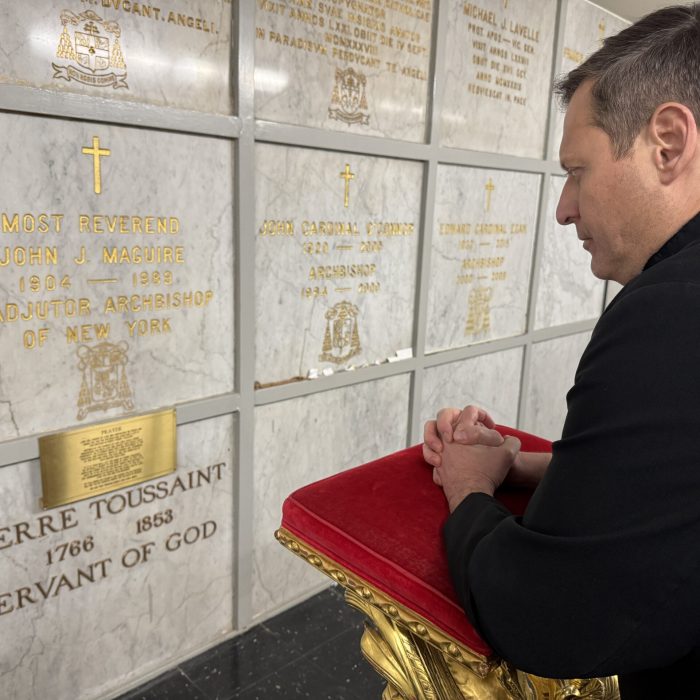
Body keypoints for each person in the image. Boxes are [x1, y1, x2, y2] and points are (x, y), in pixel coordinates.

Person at [423, 5, 700, 698]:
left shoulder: (672, 308)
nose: (564, 208)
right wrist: (516, 463)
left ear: (667, 143)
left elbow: (554, 613)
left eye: (578, 170)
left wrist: (468, 484)